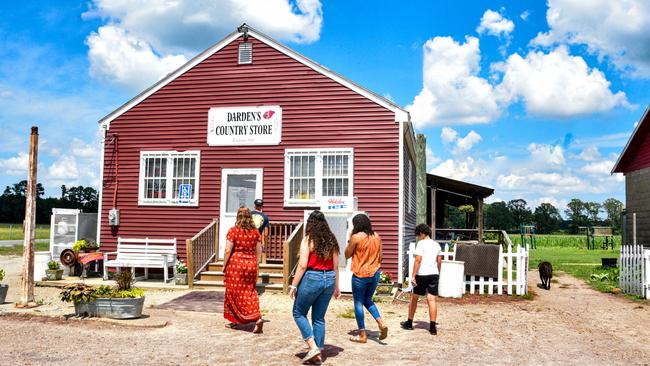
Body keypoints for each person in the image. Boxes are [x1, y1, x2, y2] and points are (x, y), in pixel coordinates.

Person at [289, 210, 341, 364]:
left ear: (310, 223)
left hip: (312, 277)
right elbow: (336, 266)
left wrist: (293, 285)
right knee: (319, 318)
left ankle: (312, 347)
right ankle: (318, 353)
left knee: (298, 312)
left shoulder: (308, 239)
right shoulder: (332, 240)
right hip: (329, 278)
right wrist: (337, 287)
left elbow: (303, 265)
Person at [344, 213, 388, 343]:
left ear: (356, 225)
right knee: (368, 300)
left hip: (360, 275)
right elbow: (381, 257)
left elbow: (347, 255)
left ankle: (363, 335)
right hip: (375, 273)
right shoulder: (376, 236)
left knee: (358, 302)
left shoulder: (356, 237)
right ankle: (380, 323)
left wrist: (349, 238)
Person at [222, 206, 264, 334]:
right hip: (250, 265)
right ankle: (257, 318)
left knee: (234, 293)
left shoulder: (233, 231)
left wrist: (224, 265)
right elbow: (259, 251)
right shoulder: (256, 232)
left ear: (238, 216)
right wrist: (256, 265)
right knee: (250, 291)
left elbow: (228, 250)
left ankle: (236, 320)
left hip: (236, 266)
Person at [400, 223, 442, 335]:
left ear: (422, 233)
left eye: (418, 235)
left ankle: (409, 323)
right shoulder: (436, 245)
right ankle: (433, 327)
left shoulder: (421, 244)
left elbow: (418, 260)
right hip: (434, 274)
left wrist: (413, 275)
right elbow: (439, 261)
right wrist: (438, 272)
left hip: (422, 274)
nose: (418, 237)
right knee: (431, 299)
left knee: (414, 298)